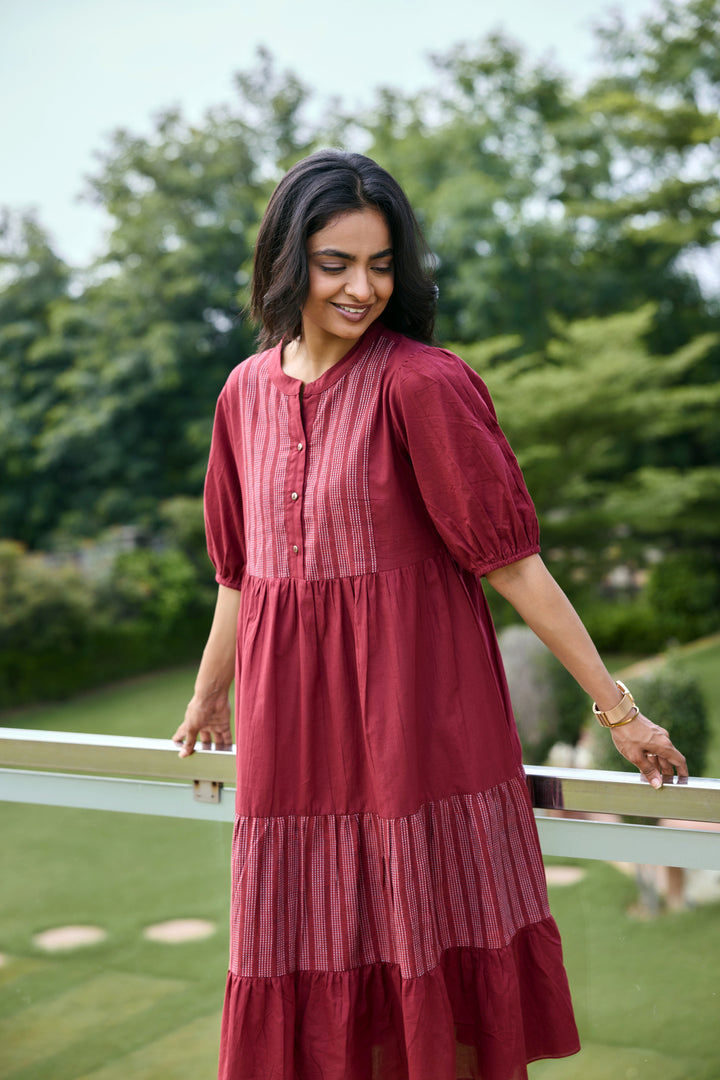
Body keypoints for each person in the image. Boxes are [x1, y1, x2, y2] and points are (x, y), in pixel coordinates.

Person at [172, 150, 687, 1080]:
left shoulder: (422, 384)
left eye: (381, 265)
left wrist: (619, 709)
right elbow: (240, 577)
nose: (362, 288)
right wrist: (212, 699)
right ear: (288, 262)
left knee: (423, 964)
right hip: (292, 741)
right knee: (308, 942)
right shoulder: (242, 395)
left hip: (419, 725)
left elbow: (516, 568)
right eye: (335, 263)